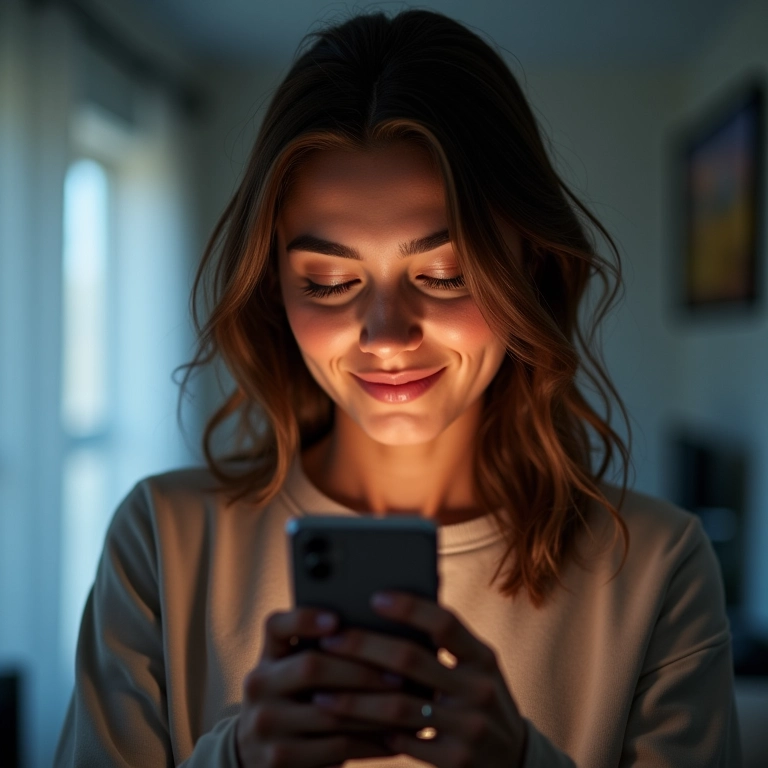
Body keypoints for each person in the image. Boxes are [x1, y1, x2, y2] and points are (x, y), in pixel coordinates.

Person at [54, 9, 741, 768]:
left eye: (443, 275)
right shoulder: (162, 542)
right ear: (275, 294)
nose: (385, 334)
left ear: (531, 269)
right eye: (329, 281)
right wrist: (242, 758)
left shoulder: (655, 568)